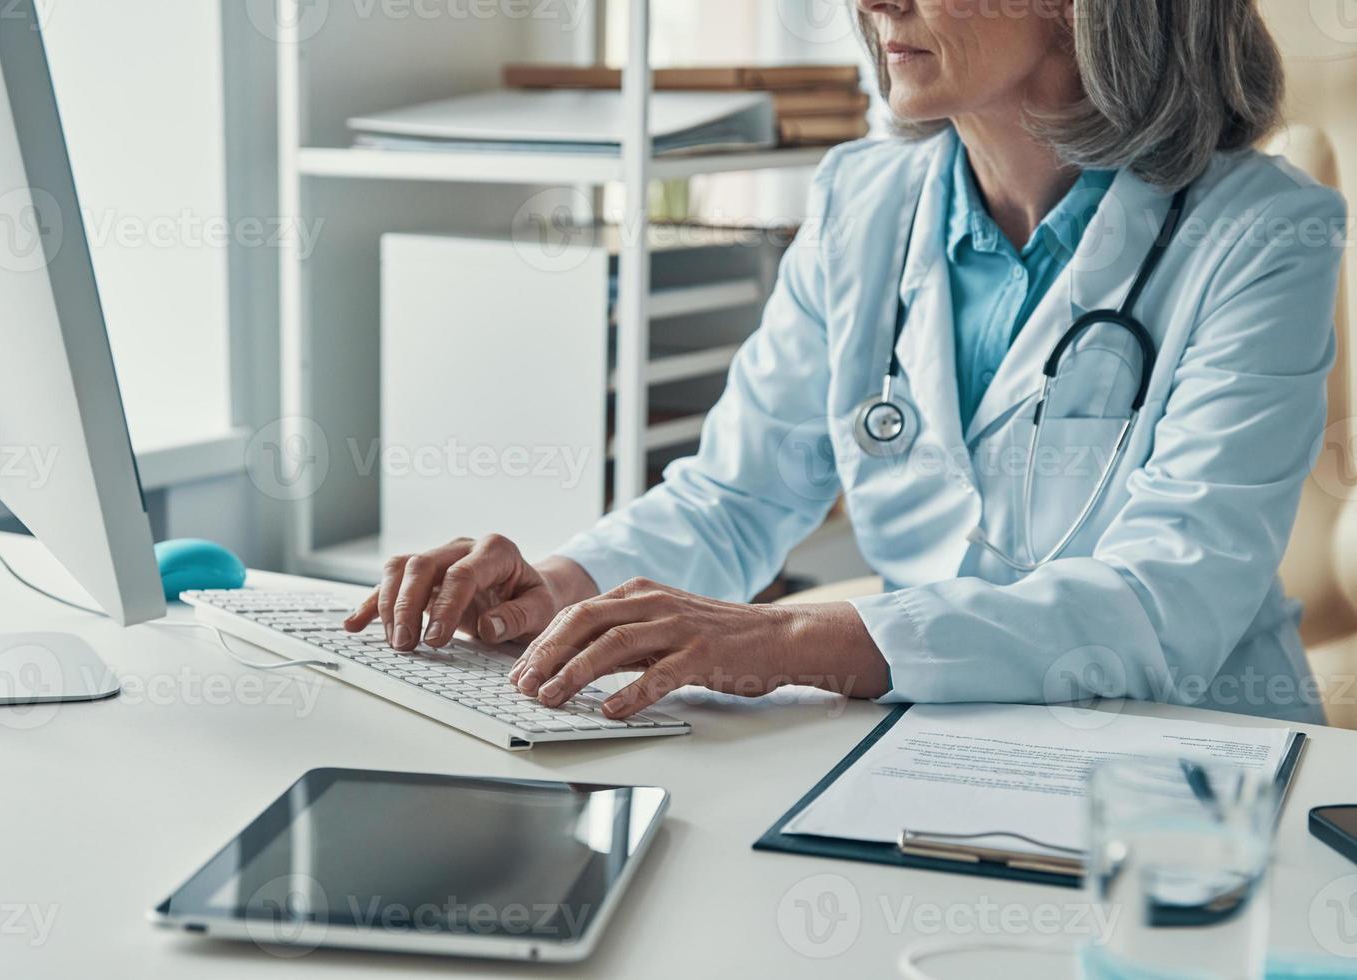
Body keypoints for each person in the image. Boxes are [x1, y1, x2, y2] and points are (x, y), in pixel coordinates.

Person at [345, 0, 1347, 725]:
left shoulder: (1264, 233)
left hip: (1193, 754)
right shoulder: (864, 200)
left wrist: (794, 640)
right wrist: (557, 588)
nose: (872, 5)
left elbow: (1172, 600)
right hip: (932, 736)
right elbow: (734, 500)